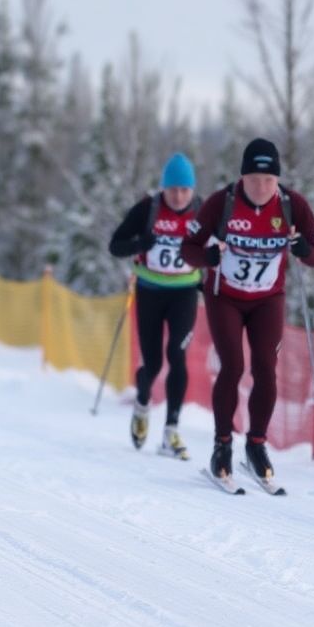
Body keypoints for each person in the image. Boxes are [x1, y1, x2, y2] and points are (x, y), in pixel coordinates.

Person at [180, 138, 314, 485]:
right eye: (253, 179)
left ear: (277, 181)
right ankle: (222, 446)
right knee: (232, 366)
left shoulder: (293, 206)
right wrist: (208, 258)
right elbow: (188, 249)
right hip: (225, 297)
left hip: (267, 299)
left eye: (268, 181)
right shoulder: (223, 203)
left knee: (266, 367)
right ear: (242, 178)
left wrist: (305, 249)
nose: (261, 187)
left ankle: (257, 445)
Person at [108, 152, 202, 460]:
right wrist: (139, 245)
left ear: (192, 190)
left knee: (177, 353)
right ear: (163, 187)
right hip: (149, 291)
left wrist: (206, 279)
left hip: (184, 292)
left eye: (184, 190)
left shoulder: (202, 211)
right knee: (152, 364)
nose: (178, 196)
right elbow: (115, 244)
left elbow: (216, 250)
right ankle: (143, 403)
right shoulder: (148, 209)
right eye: (173, 189)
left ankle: (171, 432)